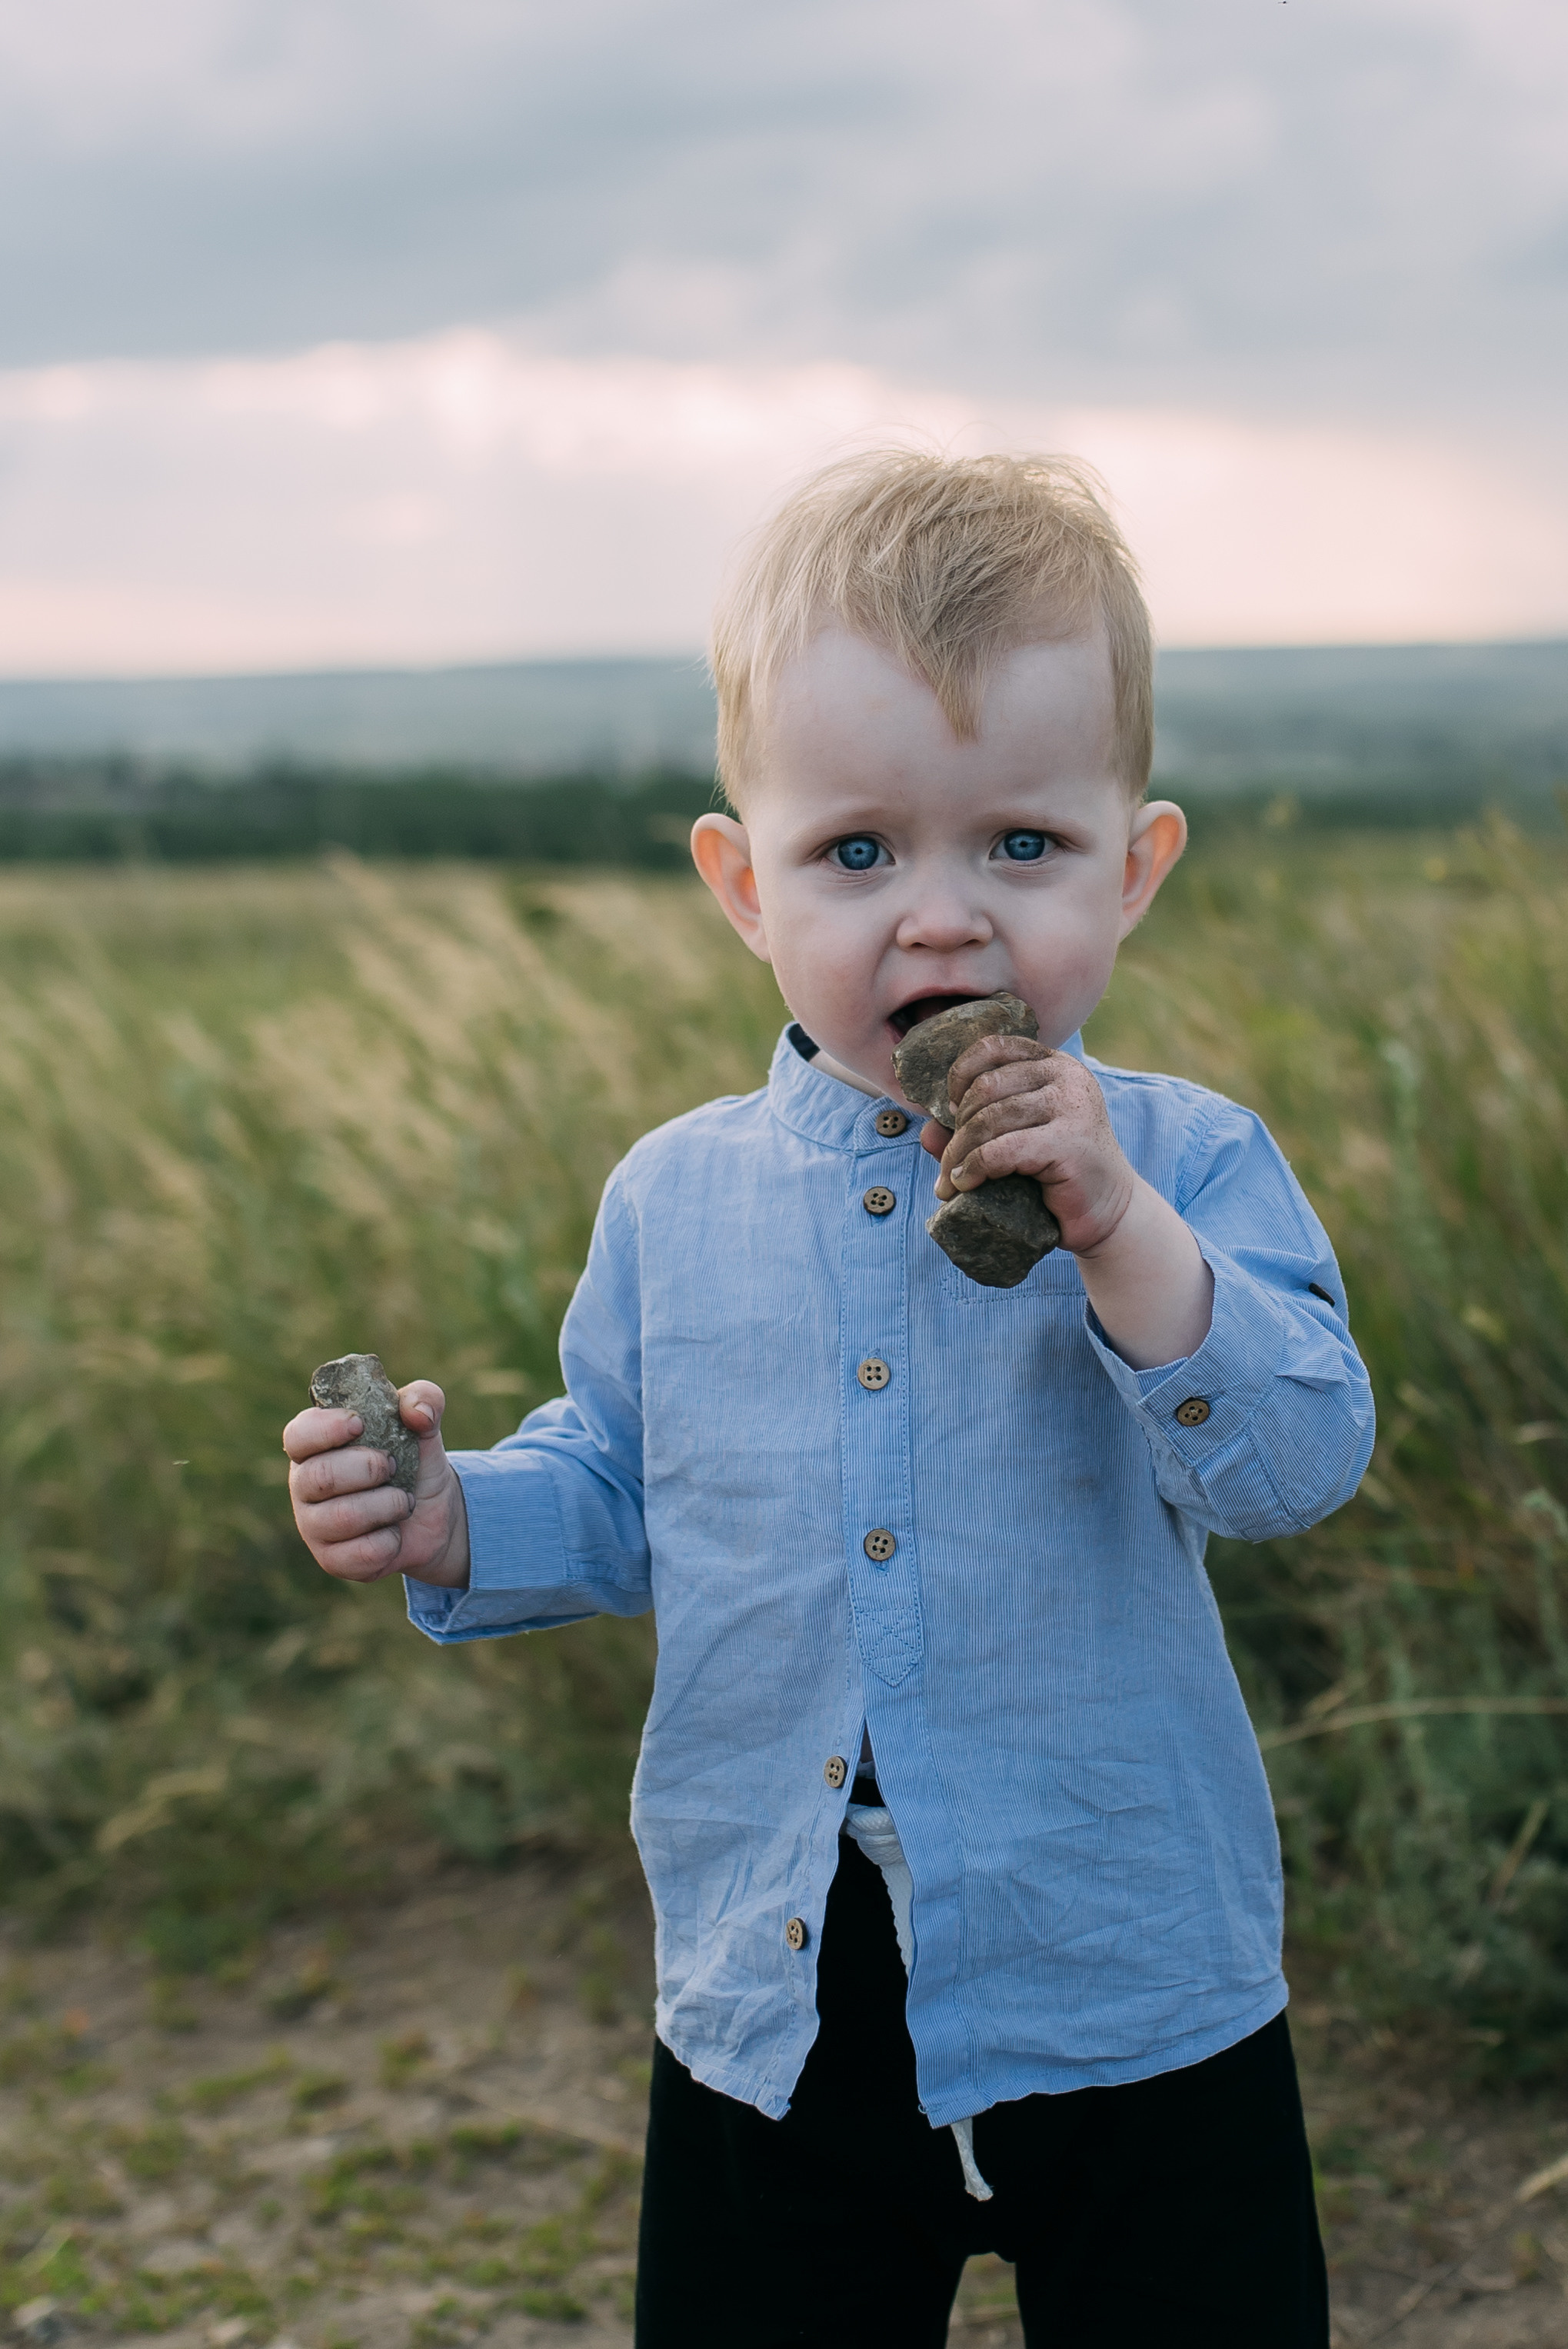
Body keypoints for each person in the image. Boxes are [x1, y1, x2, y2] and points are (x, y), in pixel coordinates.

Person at [284, 451, 1373, 2347]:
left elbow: (1297, 1459)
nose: (941, 923)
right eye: (858, 853)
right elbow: (628, 1485)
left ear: (1135, 867)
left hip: (1121, 1967)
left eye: (1020, 848)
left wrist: (1119, 1236)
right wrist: (464, 1519)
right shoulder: (676, 1198)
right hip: (772, 1988)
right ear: (742, 884)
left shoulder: (1187, 1162)